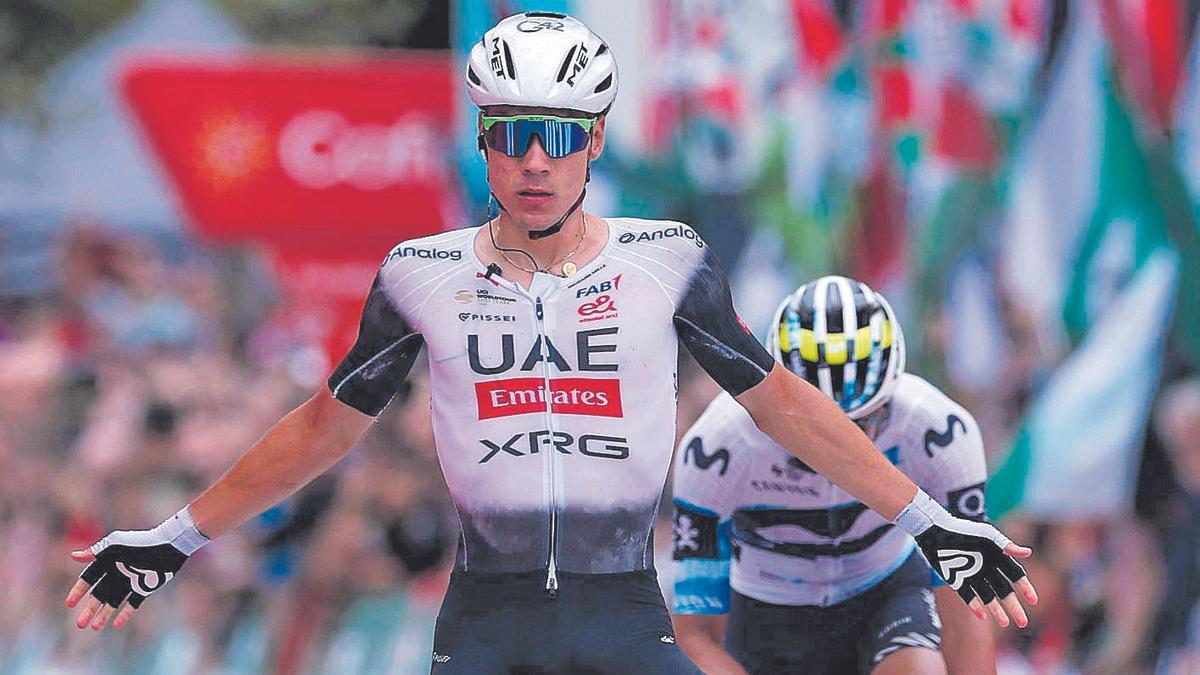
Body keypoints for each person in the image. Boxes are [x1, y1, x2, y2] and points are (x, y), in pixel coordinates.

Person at [64, 12, 1036, 674]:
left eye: (561, 135)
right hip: (487, 611)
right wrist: (172, 536)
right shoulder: (417, 270)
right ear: (483, 140)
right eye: (513, 132)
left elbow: (784, 402)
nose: (536, 159)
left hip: (623, 608)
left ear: (598, 141)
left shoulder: (670, 260)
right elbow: (323, 428)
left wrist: (927, 521)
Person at [671, 276, 1008, 675]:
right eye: (811, 430)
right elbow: (694, 636)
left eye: (864, 421)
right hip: (764, 612)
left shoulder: (939, 431)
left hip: (884, 596)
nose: (839, 448)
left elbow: (965, 610)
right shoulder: (717, 448)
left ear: (893, 389)